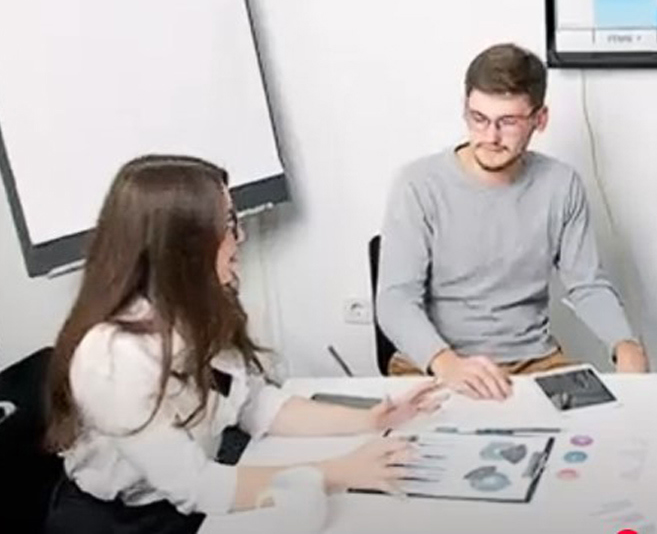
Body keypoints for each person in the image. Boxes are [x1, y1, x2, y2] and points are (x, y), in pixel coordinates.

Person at [43, 155, 445, 533]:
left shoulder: (198, 307)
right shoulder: (112, 357)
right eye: (230, 223)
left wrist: (372, 420)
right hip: (127, 523)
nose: (242, 236)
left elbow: (254, 404)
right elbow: (196, 487)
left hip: (187, 500)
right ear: (184, 245)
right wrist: (341, 471)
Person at [376, 43, 648, 400]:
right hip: (437, 360)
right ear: (465, 109)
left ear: (540, 119)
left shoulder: (561, 184)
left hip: (534, 362)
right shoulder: (418, 185)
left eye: (507, 122)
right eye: (478, 118)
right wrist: (447, 364)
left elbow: (587, 285)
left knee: (598, 442)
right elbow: (395, 300)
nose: (490, 137)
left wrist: (625, 344)